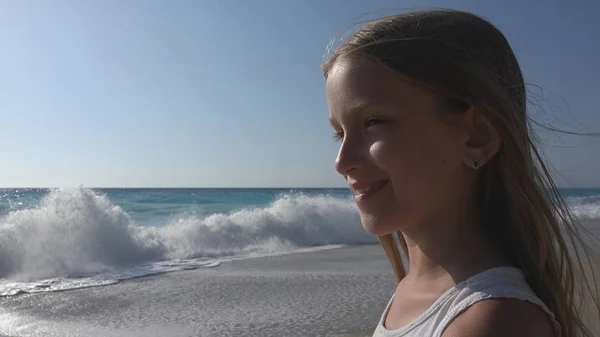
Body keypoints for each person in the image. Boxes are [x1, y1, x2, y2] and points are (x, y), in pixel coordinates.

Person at [324, 9, 599, 337]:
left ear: (476, 136)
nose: (342, 162)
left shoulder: (492, 322)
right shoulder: (417, 290)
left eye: (373, 122)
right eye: (340, 133)